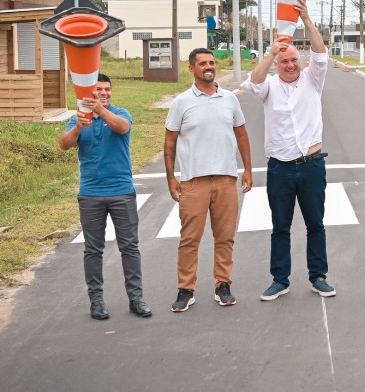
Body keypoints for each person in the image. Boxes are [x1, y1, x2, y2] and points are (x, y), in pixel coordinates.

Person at [243, 0, 337, 300]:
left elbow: (321, 54)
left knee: (315, 224)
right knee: (280, 227)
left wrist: (307, 19)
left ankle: (318, 276)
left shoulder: (313, 80)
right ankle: (280, 279)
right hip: (280, 168)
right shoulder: (268, 85)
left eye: (294, 60)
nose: (290, 65)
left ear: (301, 61)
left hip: (311, 165)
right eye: (284, 61)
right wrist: (271, 54)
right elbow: (252, 84)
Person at [164, 48, 253, 312]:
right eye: (202, 63)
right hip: (193, 181)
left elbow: (242, 135)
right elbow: (169, 143)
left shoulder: (229, 99)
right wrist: (171, 178)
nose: (209, 66)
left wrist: (248, 169)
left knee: (225, 237)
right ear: (192, 69)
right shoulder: (181, 102)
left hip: (226, 178)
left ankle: (223, 285)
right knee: (189, 239)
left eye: (212, 62)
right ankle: (185, 289)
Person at [58, 74, 150, 321]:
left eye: (107, 89)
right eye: (98, 89)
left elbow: (123, 128)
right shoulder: (78, 118)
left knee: (129, 247)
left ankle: (136, 298)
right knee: (93, 249)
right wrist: (78, 126)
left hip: (121, 191)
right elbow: (63, 145)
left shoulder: (121, 113)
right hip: (90, 194)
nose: (104, 93)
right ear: (90, 91)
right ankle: (96, 301)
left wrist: (99, 109)